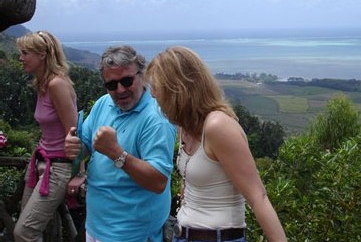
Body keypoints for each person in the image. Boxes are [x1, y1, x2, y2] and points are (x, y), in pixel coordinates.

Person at [145, 46, 287, 242]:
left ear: (176, 89)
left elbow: (258, 197)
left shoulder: (217, 126)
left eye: (156, 87)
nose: (152, 95)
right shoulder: (184, 127)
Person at [65, 45, 176, 242]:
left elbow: (158, 181)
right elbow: (86, 146)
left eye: (126, 81)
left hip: (133, 233)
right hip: (96, 226)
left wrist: (116, 153)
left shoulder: (157, 117)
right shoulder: (103, 103)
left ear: (142, 75)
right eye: (112, 85)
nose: (120, 90)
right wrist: (75, 147)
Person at [14, 30, 78, 242]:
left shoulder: (56, 84)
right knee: (27, 225)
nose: (20, 58)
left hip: (57, 167)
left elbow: (73, 132)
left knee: (24, 232)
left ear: (42, 54)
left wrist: (80, 172)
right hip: (40, 161)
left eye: (25, 53)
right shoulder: (42, 84)